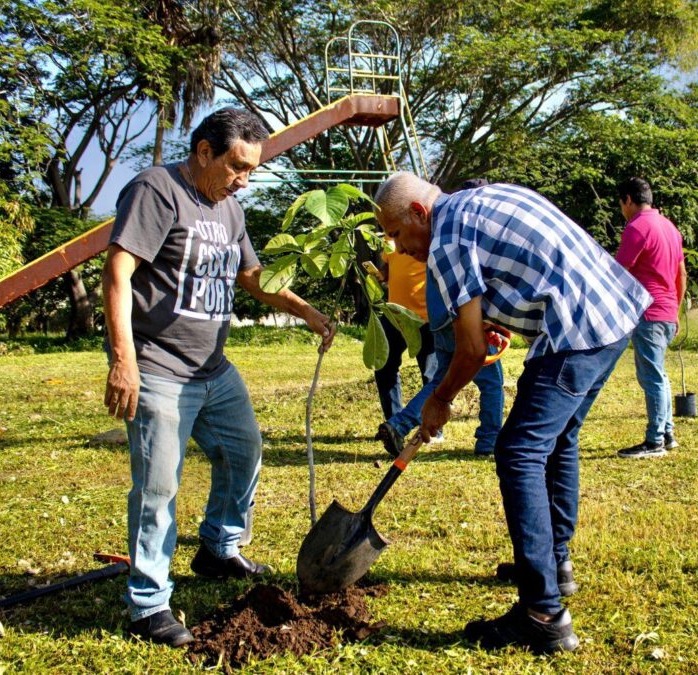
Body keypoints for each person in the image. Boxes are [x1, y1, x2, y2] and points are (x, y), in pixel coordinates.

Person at [374, 173, 651, 654]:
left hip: (577, 326)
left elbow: (470, 348)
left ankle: (542, 614)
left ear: (419, 213)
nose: (398, 249)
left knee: (518, 450)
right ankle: (553, 565)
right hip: (614, 311)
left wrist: (438, 400)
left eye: (397, 234)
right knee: (557, 438)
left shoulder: (448, 234)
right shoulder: (484, 198)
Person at [102, 107, 335, 647]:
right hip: (160, 366)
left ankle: (218, 548)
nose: (244, 179)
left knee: (244, 451)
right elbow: (118, 271)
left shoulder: (229, 207)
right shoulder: (156, 190)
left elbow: (252, 277)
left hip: (213, 369)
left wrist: (304, 310)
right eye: (236, 166)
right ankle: (147, 604)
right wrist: (123, 358)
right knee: (158, 487)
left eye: (252, 169)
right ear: (204, 151)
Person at [376, 178, 505, 458]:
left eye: (396, 235)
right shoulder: (451, 236)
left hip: (438, 319)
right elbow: (472, 341)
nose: (396, 246)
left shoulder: (439, 237)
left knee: (440, 381)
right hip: (460, 320)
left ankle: (399, 424)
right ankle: (489, 440)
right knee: (491, 382)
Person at [613, 177, 686, 459]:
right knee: (660, 374)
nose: (622, 210)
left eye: (622, 204)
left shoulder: (637, 227)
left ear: (628, 200)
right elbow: (681, 274)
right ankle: (667, 433)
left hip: (649, 312)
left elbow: (619, 272)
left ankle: (654, 440)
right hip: (667, 310)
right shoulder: (669, 227)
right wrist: (675, 310)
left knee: (651, 376)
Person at [371, 249, 434, 426]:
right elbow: (388, 264)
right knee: (384, 365)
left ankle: (432, 427)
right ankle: (394, 423)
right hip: (394, 315)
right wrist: (382, 274)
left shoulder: (427, 232)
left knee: (430, 374)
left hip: (424, 317)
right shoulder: (391, 235)